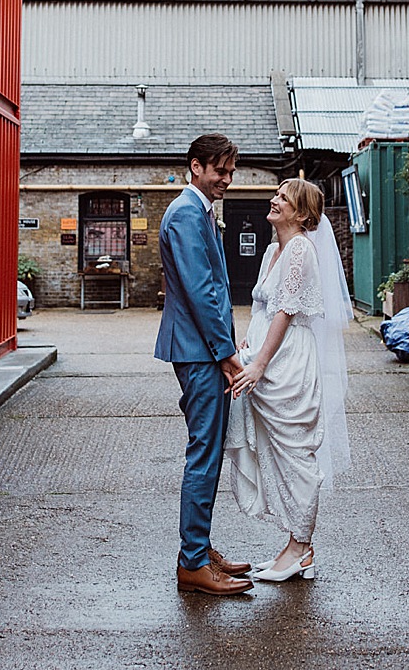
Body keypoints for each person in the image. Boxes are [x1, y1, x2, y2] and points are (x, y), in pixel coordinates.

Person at [226, 178, 354, 582]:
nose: (273, 200)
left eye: (282, 198)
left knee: (296, 454)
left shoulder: (300, 248)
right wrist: (249, 338)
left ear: (301, 213)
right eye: (275, 195)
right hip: (265, 352)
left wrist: (260, 363)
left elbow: (285, 311)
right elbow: (262, 305)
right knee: (274, 451)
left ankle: (302, 547)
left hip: (288, 362)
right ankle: (292, 545)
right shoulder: (271, 251)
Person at [154, 134, 254, 596]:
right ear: (196, 166)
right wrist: (227, 354)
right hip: (200, 351)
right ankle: (192, 561)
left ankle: (198, 548)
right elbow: (201, 291)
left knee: (208, 452)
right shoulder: (187, 214)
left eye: (231, 173)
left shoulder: (197, 212)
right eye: (221, 171)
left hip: (201, 348)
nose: (227, 181)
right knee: (204, 454)